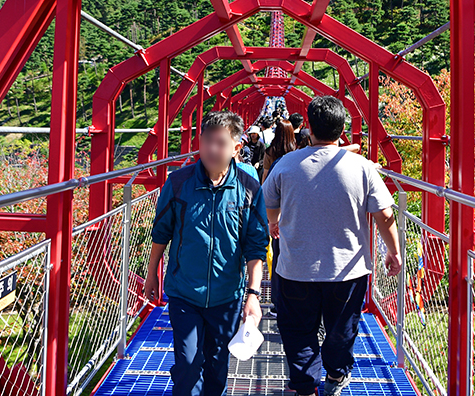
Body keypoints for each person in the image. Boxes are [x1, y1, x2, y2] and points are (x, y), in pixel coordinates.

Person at [262, 96, 402, 396]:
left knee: (298, 330)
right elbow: (385, 214)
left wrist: (274, 221)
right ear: (342, 130)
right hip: (348, 270)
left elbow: (268, 203)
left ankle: (304, 385)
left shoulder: (286, 164)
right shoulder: (362, 167)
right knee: (342, 328)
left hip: (296, 268)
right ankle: (336, 376)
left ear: (309, 128)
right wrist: (393, 250)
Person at [145, 110, 269, 396]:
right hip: (184, 293)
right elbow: (161, 232)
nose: (212, 149)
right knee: (188, 366)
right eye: (206, 141)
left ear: (237, 148)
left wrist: (253, 295)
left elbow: (255, 246)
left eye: (221, 143)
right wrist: (152, 274)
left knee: (217, 366)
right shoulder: (179, 183)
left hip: (227, 296)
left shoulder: (248, 188)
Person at [260, 118, 297, 317]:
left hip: (276, 210)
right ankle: (295, 301)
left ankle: (276, 302)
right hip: (294, 210)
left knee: (276, 255)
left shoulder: (270, 153)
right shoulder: (297, 153)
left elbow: (266, 180)